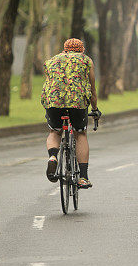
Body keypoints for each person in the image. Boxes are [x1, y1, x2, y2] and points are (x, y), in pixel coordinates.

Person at [42, 38, 100, 188]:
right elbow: (92, 89)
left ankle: (53, 157)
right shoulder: (86, 60)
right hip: (77, 102)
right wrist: (94, 109)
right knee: (80, 134)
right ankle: (83, 177)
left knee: (54, 132)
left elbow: (49, 84)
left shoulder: (52, 60)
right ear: (81, 50)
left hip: (54, 101)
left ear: (65, 49)